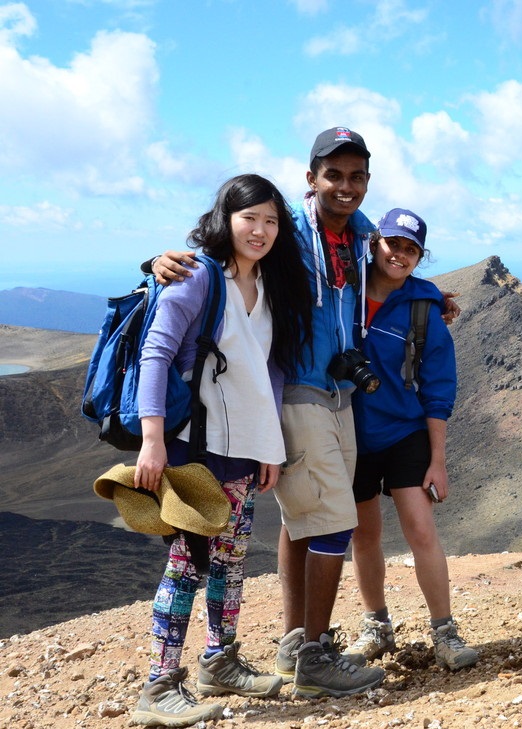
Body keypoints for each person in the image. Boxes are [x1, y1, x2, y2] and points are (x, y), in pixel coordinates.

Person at [152, 127, 388, 698]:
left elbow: (394, 272)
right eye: (333, 174)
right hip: (288, 397)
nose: (345, 185)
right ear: (311, 179)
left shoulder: (361, 237)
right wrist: (156, 260)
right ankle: (310, 656)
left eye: (356, 175)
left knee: (294, 522)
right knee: (332, 520)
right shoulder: (288, 232)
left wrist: (436, 299)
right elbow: (222, 242)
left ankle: (283, 643)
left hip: (333, 397)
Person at [131, 174, 312, 726]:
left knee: (230, 563)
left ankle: (220, 658)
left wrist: (269, 447)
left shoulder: (269, 291)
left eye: (271, 221)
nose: (260, 230)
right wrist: (153, 441)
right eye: (249, 218)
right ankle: (159, 686)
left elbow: (271, 373)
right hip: (193, 450)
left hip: (241, 451)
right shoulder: (196, 278)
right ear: (225, 219)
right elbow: (155, 355)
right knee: (187, 563)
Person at [346, 208, 479, 671]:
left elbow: (440, 391)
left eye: (410, 248)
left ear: (420, 256)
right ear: (374, 241)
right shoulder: (344, 289)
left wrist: (437, 460)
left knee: (421, 530)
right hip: (351, 435)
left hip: (405, 434)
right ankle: (376, 627)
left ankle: (445, 632)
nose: (399, 254)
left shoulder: (425, 308)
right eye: (392, 243)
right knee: (364, 536)